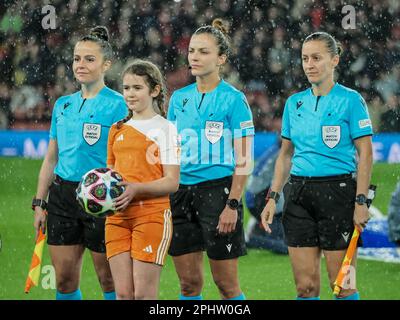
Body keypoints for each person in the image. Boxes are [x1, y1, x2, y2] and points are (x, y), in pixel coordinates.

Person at [260, 32, 373, 300]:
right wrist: (273, 197)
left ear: (334, 61)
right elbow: (285, 155)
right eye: (305, 58)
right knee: (305, 288)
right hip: (299, 196)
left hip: (339, 194)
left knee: (343, 285)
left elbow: (366, 155)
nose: (309, 64)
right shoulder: (294, 103)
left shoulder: (351, 100)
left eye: (316, 58)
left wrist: (360, 201)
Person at [32, 26, 127, 300]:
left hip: (102, 197)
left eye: (89, 59)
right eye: (77, 58)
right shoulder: (62, 105)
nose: (80, 65)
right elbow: (51, 157)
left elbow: (127, 156)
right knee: (63, 280)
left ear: (106, 64)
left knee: (108, 279)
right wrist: (40, 202)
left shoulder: (119, 105)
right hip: (62, 196)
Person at [167, 18, 254, 300]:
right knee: (188, 286)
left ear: (221, 58)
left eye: (203, 51)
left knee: (226, 286)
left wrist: (232, 204)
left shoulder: (234, 99)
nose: (194, 57)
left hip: (218, 193)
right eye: (192, 50)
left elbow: (244, 158)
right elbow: (170, 152)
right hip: (179, 194)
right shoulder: (178, 99)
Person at [105, 59, 180, 300]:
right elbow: (110, 176)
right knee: (124, 295)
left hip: (151, 216)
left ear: (155, 90)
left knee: (144, 296)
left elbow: (172, 182)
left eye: (137, 87)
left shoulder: (166, 129)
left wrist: (136, 189)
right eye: (126, 88)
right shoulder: (116, 129)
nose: (130, 93)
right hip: (116, 217)